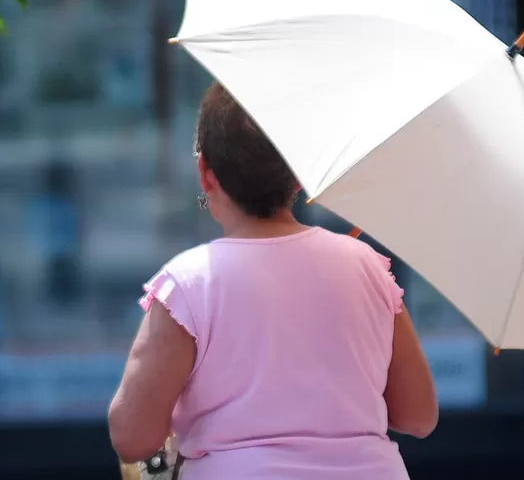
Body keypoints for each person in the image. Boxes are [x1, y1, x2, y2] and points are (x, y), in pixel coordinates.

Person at [108, 82, 438, 480]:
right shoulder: (367, 267)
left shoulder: (188, 285)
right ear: (298, 176)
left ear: (205, 173)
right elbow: (419, 415)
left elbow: (132, 435)